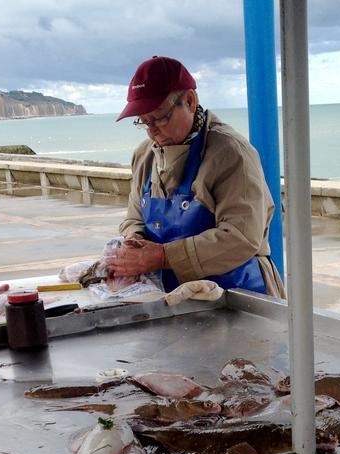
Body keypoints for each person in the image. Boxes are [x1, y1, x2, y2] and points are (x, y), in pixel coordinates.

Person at [109, 55, 285, 298]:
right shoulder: (144, 156)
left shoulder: (231, 153)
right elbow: (134, 217)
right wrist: (134, 241)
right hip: (171, 296)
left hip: (237, 294)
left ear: (190, 101)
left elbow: (241, 237)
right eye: (144, 121)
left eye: (160, 117)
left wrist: (162, 256)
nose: (152, 130)